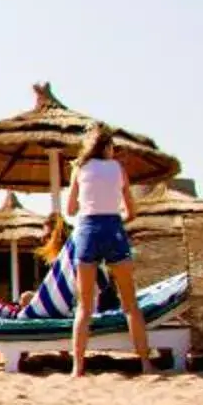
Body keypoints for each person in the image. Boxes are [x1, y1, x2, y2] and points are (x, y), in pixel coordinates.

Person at [60, 126, 150, 376]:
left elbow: (69, 210)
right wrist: (119, 218)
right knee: (131, 305)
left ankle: (77, 367)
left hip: (88, 228)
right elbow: (132, 212)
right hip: (113, 227)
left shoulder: (80, 168)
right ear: (108, 147)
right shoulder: (118, 169)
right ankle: (145, 363)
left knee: (84, 307)